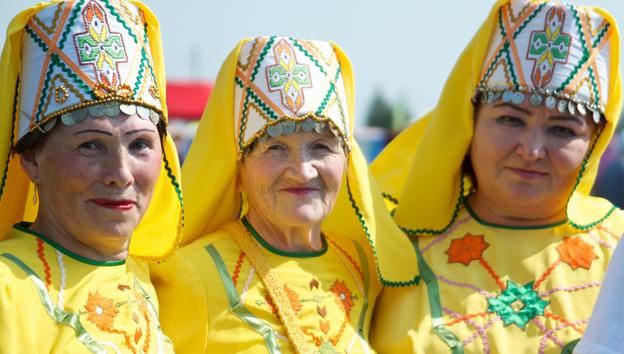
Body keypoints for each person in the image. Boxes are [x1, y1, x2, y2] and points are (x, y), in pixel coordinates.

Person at [369, 0, 623, 353]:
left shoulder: (619, 247)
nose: (532, 150)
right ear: (468, 121)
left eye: (563, 130)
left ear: (595, 142)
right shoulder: (385, 246)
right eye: (510, 120)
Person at [150, 36, 418, 353]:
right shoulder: (189, 273)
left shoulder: (361, 265)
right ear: (237, 171)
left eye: (321, 147)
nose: (303, 171)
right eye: (275, 148)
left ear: (347, 159)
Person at [0, 0, 183, 352]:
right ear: (31, 161)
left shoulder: (143, 281)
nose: (121, 174)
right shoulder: (8, 289)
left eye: (140, 144)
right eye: (90, 146)